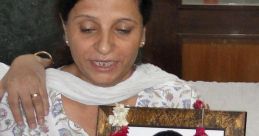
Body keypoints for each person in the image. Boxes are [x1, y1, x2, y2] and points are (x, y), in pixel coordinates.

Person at [0, 0, 198, 135]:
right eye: (87, 28)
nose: (104, 46)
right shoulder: (27, 95)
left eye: (123, 30)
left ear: (143, 33)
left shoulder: (175, 99)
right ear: (65, 28)